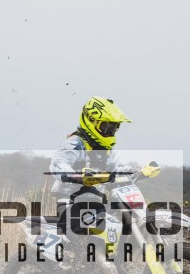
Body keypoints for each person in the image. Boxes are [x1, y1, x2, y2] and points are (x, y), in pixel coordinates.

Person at [36, 97, 131, 261]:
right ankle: (70, 271)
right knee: (79, 238)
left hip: (96, 200)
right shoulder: (75, 143)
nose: (111, 131)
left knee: (112, 234)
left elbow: (114, 171)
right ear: (92, 121)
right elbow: (58, 164)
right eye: (107, 126)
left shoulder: (106, 150)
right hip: (70, 199)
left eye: (114, 128)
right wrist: (78, 177)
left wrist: (136, 172)